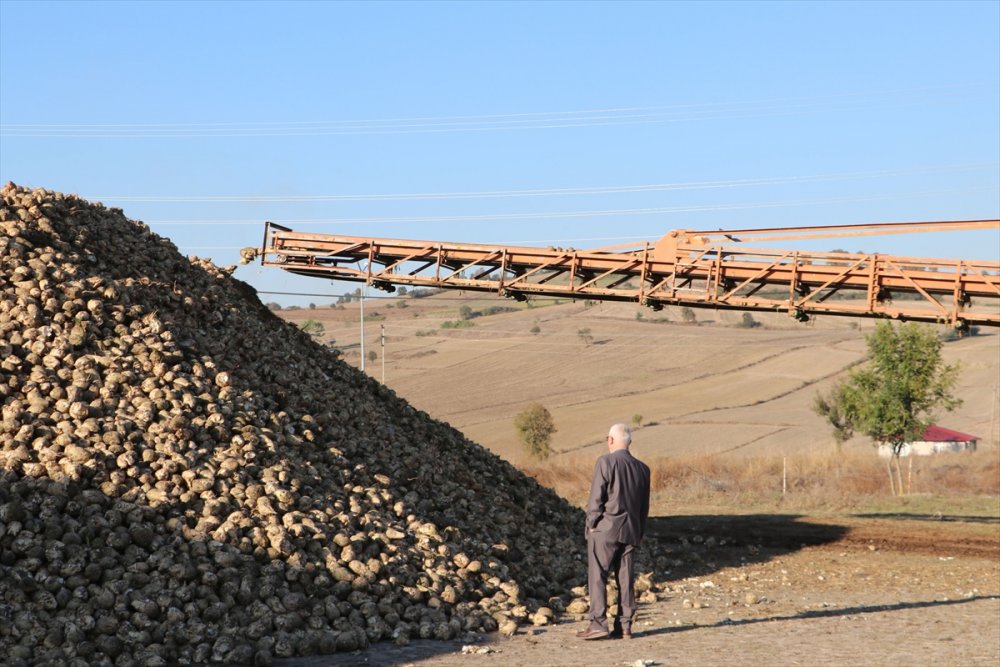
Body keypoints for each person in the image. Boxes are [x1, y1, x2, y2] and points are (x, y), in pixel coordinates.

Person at [576, 422, 651, 640]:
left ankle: (598, 624)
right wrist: (640, 531)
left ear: (610, 440)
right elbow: (643, 506)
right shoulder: (643, 469)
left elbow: (596, 497)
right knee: (625, 579)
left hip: (605, 529)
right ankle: (625, 626)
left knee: (597, 575)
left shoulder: (605, 462)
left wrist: (591, 522)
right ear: (629, 442)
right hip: (631, 530)